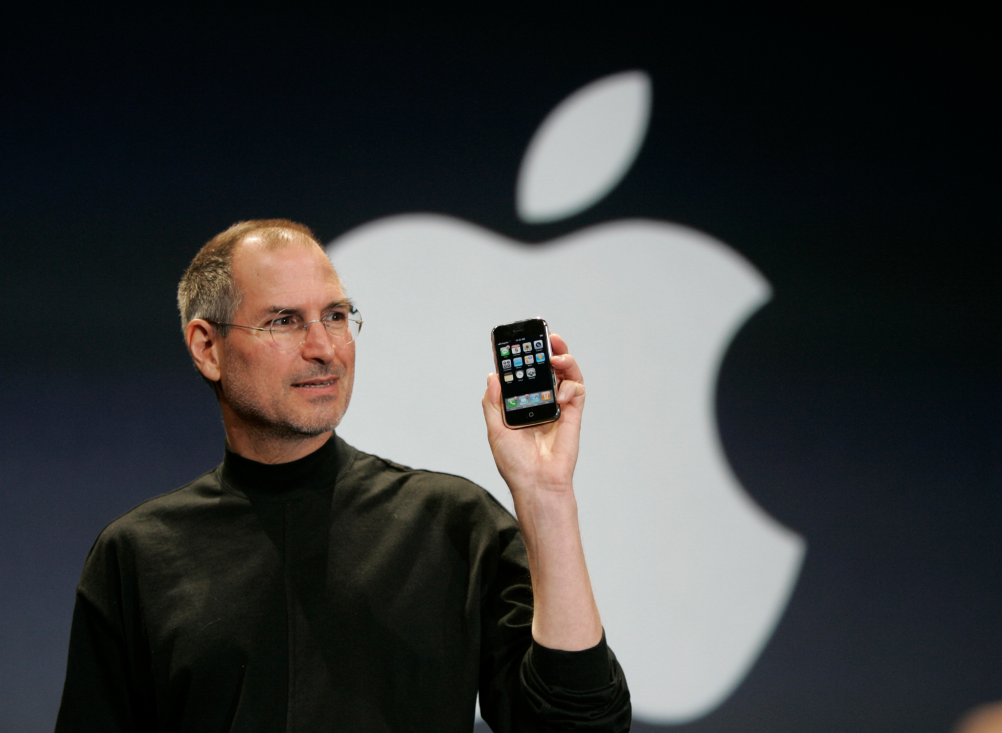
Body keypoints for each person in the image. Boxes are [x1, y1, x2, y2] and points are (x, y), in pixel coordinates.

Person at [54, 220, 631, 732]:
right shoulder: (137, 555)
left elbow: (582, 724)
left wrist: (546, 495)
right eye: (284, 321)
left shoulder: (452, 524)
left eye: (335, 316)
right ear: (208, 347)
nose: (324, 348)